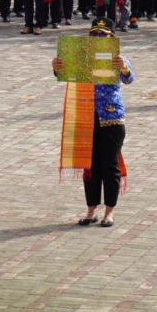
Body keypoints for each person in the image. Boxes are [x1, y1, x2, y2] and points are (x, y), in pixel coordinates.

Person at [51, 17, 133, 228]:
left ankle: (109, 212)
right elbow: (64, 73)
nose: (98, 38)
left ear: (111, 38)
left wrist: (123, 67)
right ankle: (91, 209)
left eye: (103, 35)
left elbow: (129, 77)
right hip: (86, 116)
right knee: (91, 166)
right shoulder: (81, 57)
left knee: (110, 166)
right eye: (94, 34)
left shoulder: (117, 58)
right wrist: (57, 66)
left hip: (111, 117)